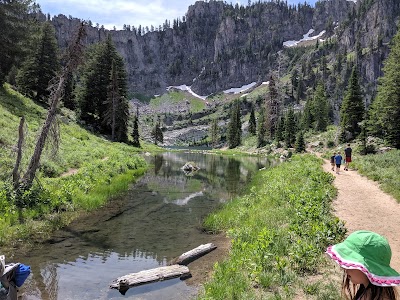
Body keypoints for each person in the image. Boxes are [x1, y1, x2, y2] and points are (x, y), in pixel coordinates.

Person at [326, 230, 400, 299]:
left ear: (368, 269)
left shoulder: (373, 296)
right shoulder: (371, 292)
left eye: (352, 264)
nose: (345, 268)